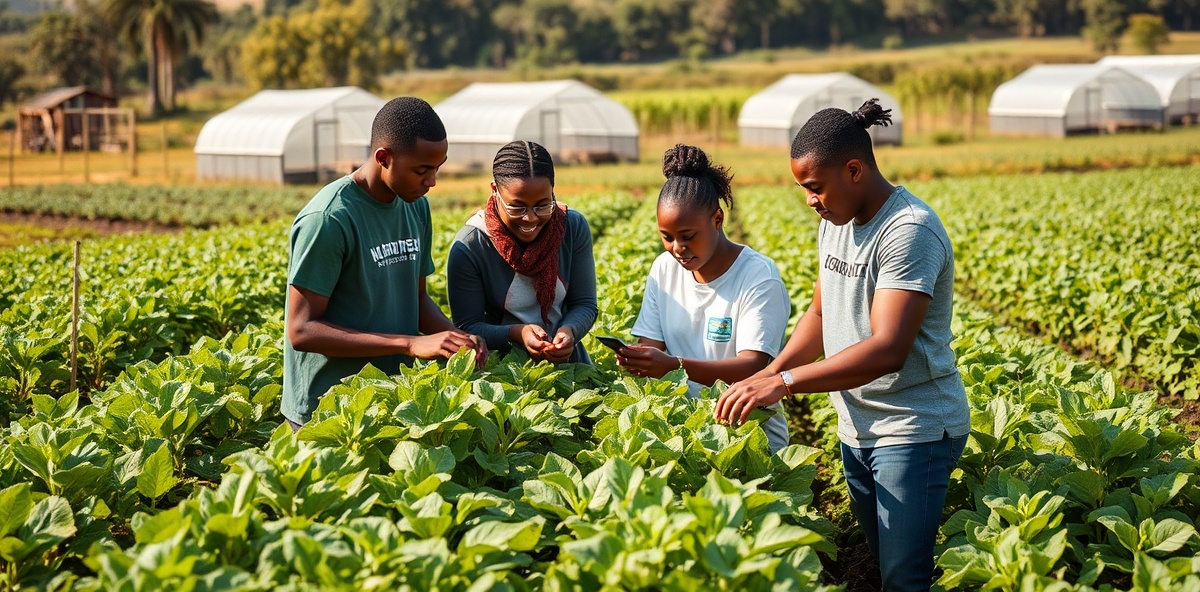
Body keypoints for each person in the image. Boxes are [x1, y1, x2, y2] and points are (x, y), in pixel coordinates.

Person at [714, 99, 971, 592]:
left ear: (854, 169)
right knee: (881, 564)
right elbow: (820, 313)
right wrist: (766, 374)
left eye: (815, 187)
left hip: (911, 426)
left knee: (903, 577)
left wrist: (785, 384)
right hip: (857, 425)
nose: (810, 200)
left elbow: (887, 348)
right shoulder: (835, 221)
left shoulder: (908, 231)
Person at [283, 97, 487, 429]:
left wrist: (455, 337)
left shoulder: (415, 206)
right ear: (384, 158)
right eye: (422, 170)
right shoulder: (329, 218)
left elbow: (416, 298)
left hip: (389, 400)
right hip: (328, 411)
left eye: (438, 168)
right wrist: (409, 343)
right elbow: (301, 330)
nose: (432, 181)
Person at [617, 143, 791, 452]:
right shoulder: (664, 269)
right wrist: (639, 358)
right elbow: (651, 345)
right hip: (685, 431)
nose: (677, 248)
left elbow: (753, 365)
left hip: (749, 434)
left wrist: (674, 365)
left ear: (717, 219)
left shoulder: (757, 276)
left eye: (688, 236)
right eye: (667, 237)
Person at [447, 140, 597, 363]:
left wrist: (569, 331)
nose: (530, 218)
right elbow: (467, 326)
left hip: (569, 367)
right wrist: (517, 333)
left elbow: (585, 304)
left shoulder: (572, 228)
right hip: (503, 374)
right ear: (495, 191)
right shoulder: (471, 245)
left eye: (543, 204)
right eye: (516, 207)